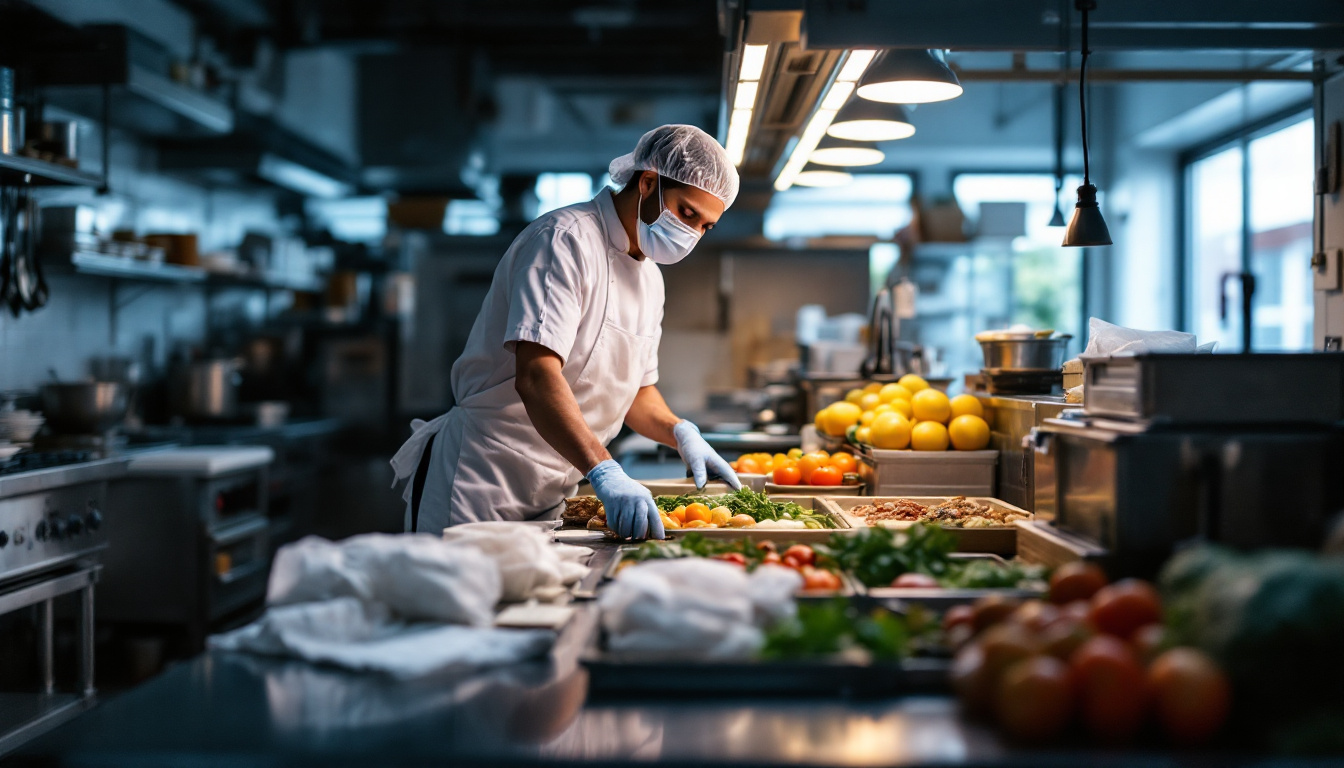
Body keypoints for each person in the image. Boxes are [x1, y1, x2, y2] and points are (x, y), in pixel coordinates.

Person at [390, 124, 741, 540]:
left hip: (556, 483)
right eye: (687, 213)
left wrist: (681, 433)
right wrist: (604, 469)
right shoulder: (563, 240)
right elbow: (537, 377)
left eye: (705, 226)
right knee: (458, 601)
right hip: (482, 478)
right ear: (648, 183)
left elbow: (637, 393)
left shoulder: (650, 278)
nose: (692, 235)